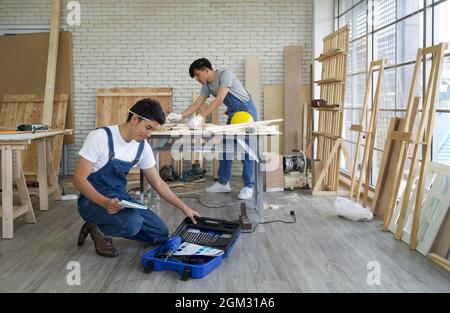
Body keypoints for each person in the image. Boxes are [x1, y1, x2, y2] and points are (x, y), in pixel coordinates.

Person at [73, 99, 201, 258]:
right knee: (132, 223)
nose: (148, 134)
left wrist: (184, 208)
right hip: (92, 201)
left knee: (160, 232)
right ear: (134, 119)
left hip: (119, 198)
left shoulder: (142, 147)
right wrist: (105, 203)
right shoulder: (100, 137)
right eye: (147, 128)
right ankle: (97, 227)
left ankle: (103, 222)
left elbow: (158, 183)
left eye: (152, 130)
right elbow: (78, 180)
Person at [166, 58, 257, 200]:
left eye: (197, 75)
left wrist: (200, 117)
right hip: (233, 114)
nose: (196, 78)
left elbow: (220, 99)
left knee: (246, 149)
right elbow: (197, 103)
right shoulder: (207, 85)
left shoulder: (225, 75)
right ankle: (223, 182)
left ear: (206, 70)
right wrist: (180, 116)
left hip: (246, 113)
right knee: (225, 148)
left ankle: (248, 186)